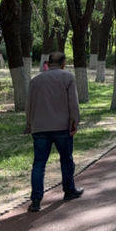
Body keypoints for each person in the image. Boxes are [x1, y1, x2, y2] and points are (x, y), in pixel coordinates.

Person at [25, 50, 83, 212]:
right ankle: (69, 191)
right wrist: (74, 123)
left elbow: (28, 105)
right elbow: (73, 104)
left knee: (39, 164)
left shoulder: (35, 80)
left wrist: (29, 124)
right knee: (66, 160)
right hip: (62, 128)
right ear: (63, 63)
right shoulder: (67, 77)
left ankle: (36, 200)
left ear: (48, 63)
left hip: (40, 128)